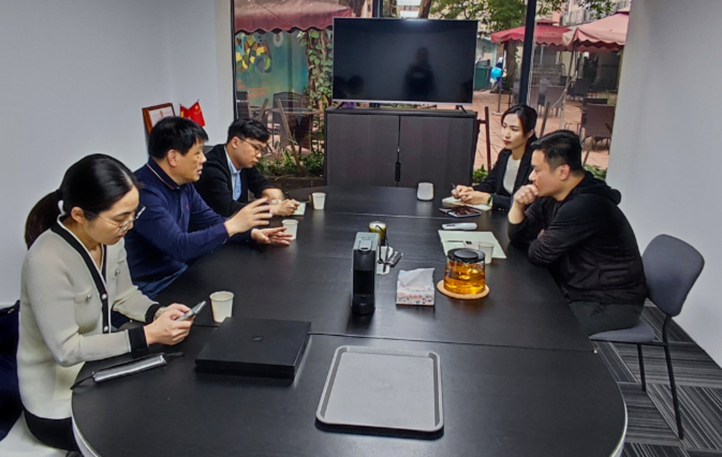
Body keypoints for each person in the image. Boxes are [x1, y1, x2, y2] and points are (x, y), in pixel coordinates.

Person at [18, 154, 193, 453]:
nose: (129, 226)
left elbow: (124, 294)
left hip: (96, 372)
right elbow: (66, 350)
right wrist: (147, 335)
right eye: (119, 219)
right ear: (79, 214)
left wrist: (158, 312)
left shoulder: (110, 240)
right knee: (148, 428)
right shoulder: (45, 261)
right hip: (58, 403)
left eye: (133, 215)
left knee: (171, 401)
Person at [124, 117, 291, 300]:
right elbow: (178, 247)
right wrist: (233, 225)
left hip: (182, 272)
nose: (203, 159)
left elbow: (210, 220)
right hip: (154, 287)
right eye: (198, 153)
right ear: (173, 157)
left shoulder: (183, 183)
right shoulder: (143, 192)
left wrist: (251, 233)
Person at [507, 130, 646, 335]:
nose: (531, 177)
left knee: (535, 330)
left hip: (610, 303)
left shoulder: (586, 204)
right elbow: (519, 237)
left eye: (536, 170)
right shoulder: (550, 195)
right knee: (519, 312)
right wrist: (518, 205)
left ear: (563, 172)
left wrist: (542, 238)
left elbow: (539, 254)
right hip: (575, 288)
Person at [194, 118, 300, 217]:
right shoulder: (211, 167)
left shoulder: (244, 162)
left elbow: (258, 181)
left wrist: (268, 189)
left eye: (261, 150)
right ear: (235, 142)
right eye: (256, 148)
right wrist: (273, 209)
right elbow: (227, 208)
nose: (259, 155)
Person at [453, 105, 537, 210]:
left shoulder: (536, 161)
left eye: (514, 129)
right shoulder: (505, 154)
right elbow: (490, 184)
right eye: (504, 126)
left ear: (529, 133)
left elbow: (528, 203)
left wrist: (488, 199)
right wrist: (469, 190)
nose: (506, 134)